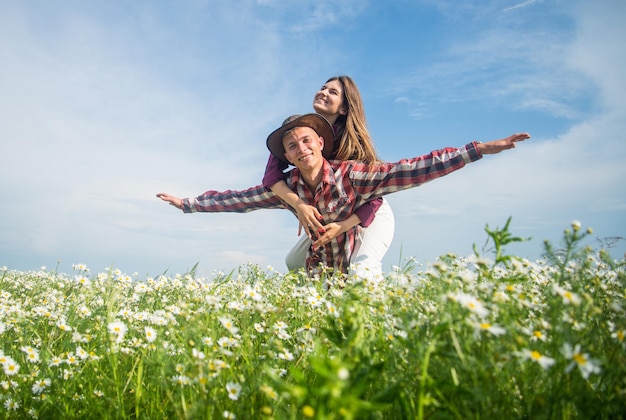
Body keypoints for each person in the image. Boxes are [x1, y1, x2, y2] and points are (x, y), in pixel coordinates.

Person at [157, 113, 530, 277]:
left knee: (364, 272)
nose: (300, 148)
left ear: (320, 143)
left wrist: (478, 149)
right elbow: (237, 199)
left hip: (364, 226)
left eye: (306, 140)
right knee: (300, 268)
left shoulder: (354, 175)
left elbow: (413, 169)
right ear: (286, 156)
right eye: (292, 146)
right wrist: (188, 204)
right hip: (324, 252)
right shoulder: (288, 189)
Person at [263, 76, 394, 278]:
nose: (323, 92)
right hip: (333, 217)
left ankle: (376, 308)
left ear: (343, 108)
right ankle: (310, 306)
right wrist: (300, 205)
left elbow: (373, 198)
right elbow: (271, 178)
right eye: (323, 88)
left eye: (332, 92)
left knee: (361, 270)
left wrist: (342, 227)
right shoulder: (299, 133)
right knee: (295, 262)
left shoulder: (352, 142)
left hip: (368, 214)